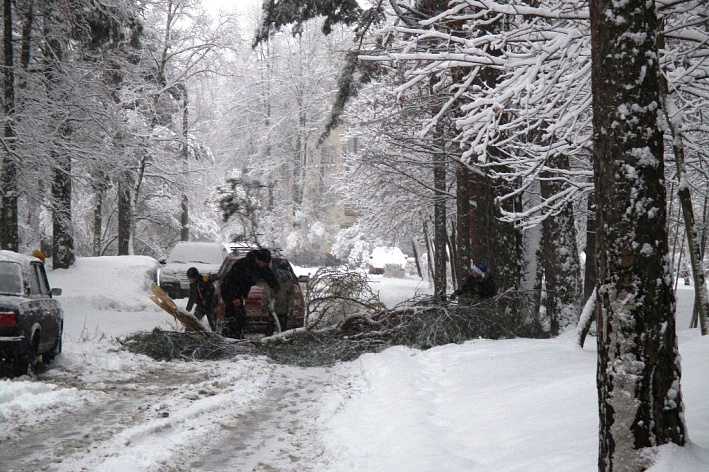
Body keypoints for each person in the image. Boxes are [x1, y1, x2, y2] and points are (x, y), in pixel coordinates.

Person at [220, 248, 280, 339]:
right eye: (263, 263)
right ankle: (229, 339)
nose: (264, 265)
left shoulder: (261, 267)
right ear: (257, 259)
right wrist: (234, 298)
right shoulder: (241, 265)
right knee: (234, 318)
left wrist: (275, 288)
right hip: (229, 292)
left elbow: (269, 276)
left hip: (240, 294)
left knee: (240, 318)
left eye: (265, 264)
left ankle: (235, 338)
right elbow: (230, 283)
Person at [262, 259, 296, 336]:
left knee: (283, 329)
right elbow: (265, 294)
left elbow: (291, 297)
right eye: (280, 273)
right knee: (270, 327)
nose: (282, 275)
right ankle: (268, 340)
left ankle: (282, 341)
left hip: (283, 311)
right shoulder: (272, 281)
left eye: (284, 273)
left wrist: (291, 307)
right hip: (273, 310)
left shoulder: (289, 283)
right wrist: (264, 306)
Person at [185, 267, 218, 331]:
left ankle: (217, 336)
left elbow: (211, 291)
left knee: (213, 324)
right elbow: (192, 297)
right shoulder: (193, 285)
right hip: (201, 306)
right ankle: (188, 332)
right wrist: (188, 308)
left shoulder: (204, 280)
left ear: (194, 277)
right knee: (194, 322)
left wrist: (206, 300)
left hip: (210, 306)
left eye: (190, 278)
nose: (189, 280)